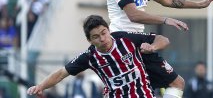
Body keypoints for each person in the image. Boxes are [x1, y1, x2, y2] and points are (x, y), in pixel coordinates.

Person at [27, 15, 170, 98]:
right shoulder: (90, 56)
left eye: (104, 33)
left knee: (178, 83)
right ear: (89, 40)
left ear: (108, 30)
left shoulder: (126, 39)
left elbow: (163, 39)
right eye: (96, 37)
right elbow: (60, 74)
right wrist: (41, 86)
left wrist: (152, 47)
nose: (102, 39)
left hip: (144, 95)